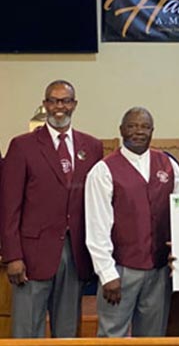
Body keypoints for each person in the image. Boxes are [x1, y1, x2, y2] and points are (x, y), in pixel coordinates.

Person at [0, 80, 103, 338]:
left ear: (74, 105)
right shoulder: (22, 146)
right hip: (31, 255)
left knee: (67, 332)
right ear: (45, 105)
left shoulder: (91, 147)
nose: (60, 106)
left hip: (74, 252)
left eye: (66, 101)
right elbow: (8, 205)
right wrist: (12, 256)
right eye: (54, 101)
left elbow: (97, 203)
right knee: (27, 331)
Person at [85, 107, 179, 337]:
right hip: (120, 270)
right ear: (121, 130)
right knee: (112, 335)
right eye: (132, 126)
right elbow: (97, 226)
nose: (139, 131)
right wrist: (107, 274)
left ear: (152, 131)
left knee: (153, 337)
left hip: (158, 272)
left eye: (145, 127)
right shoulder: (103, 171)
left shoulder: (169, 166)